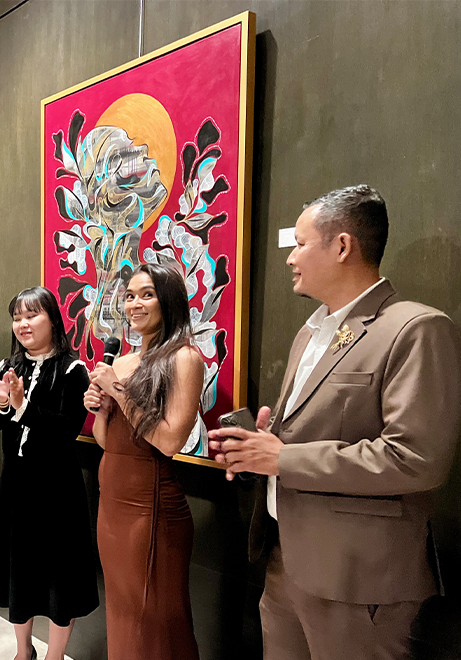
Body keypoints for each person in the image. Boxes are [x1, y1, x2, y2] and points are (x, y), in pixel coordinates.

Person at [209, 185, 461, 660]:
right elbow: (304, 437)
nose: (290, 258)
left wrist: (282, 457)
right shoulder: (311, 333)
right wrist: (258, 448)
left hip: (357, 578)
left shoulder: (415, 328)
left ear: (342, 246)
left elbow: (417, 459)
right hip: (286, 559)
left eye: (300, 243)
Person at [83, 262, 204, 660]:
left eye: (146, 294)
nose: (134, 304)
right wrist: (100, 406)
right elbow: (107, 441)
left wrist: (118, 392)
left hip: (149, 508)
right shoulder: (122, 362)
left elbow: (170, 441)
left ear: (168, 300)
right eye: (130, 295)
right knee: (123, 612)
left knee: (154, 619)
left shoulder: (185, 358)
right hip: (111, 503)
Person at [0, 286, 99, 660]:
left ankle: (54, 656)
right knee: (21, 572)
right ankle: (22, 651)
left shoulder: (73, 370)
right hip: (16, 486)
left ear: (53, 319)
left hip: (58, 490)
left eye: (32, 315)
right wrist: (1, 400)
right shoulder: (8, 366)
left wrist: (22, 405)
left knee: (59, 578)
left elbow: (66, 430)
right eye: (17, 317)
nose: (23, 324)